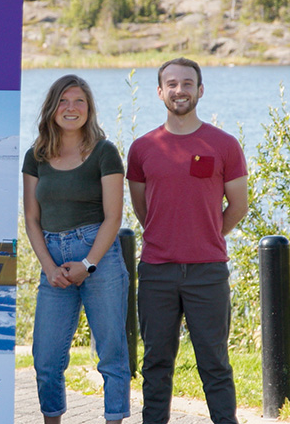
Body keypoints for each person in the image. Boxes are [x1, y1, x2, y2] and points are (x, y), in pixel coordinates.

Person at [126, 57, 249, 424]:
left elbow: (238, 206)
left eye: (188, 83)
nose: (180, 90)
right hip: (156, 273)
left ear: (200, 90)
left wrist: (205, 234)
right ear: (160, 91)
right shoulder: (142, 148)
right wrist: (170, 234)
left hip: (208, 273)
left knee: (214, 362)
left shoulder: (224, 145)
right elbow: (142, 209)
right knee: (156, 363)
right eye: (172, 84)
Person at [22, 74, 130, 424]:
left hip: (98, 255)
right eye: (64, 101)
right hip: (52, 257)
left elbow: (114, 217)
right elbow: (32, 219)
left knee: (112, 355)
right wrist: (49, 267)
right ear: (52, 108)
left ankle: (114, 418)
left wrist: (89, 263)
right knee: (46, 359)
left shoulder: (104, 152)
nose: (71, 108)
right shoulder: (35, 155)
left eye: (79, 101)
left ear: (89, 108)